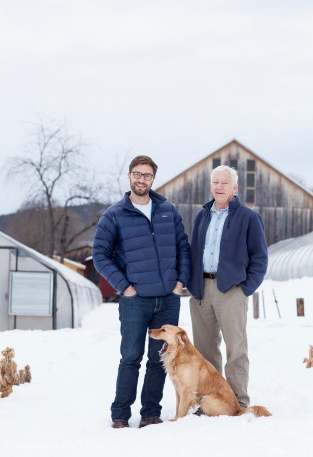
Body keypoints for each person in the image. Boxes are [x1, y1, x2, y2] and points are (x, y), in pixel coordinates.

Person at [93, 155, 190, 429]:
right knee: (131, 357)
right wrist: (124, 287)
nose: (141, 179)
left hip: (168, 300)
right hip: (135, 301)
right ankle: (121, 415)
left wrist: (179, 282)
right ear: (129, 176)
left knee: (159, 358)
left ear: (153, 179)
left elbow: (183, 247)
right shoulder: (114, 215)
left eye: (146, 175)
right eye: (137, 174)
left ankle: (150, 413)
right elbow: (100, 255)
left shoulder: (167, 210)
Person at [187, 164, 268, 409]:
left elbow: (260, 258)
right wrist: (192, 285)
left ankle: (238, 401)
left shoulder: (249, 217)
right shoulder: (202, 215)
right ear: (211, 186)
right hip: (202, 289)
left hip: (231, 290)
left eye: (225, 183)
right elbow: (193, 251)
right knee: (204, 350)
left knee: (236, 349)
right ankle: (209, 400)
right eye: (215, 183)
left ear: (235, 187)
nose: (219, 187)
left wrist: (245, 289)